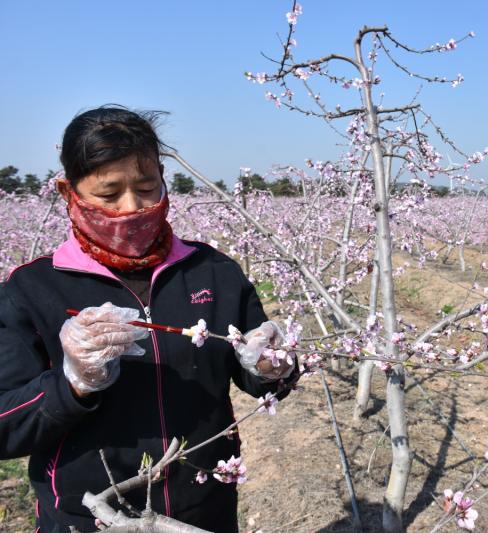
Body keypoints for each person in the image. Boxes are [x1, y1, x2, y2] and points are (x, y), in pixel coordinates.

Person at [0, 105, 298, 532]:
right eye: (109, 194)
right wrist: (72, 385)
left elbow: (257, 375)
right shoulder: (33, 289)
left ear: (162, 178)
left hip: (202, 511)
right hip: (89, 517)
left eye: (146, 187)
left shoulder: (212, 271)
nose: (132, 208)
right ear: (69, 193)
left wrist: (273, 366)